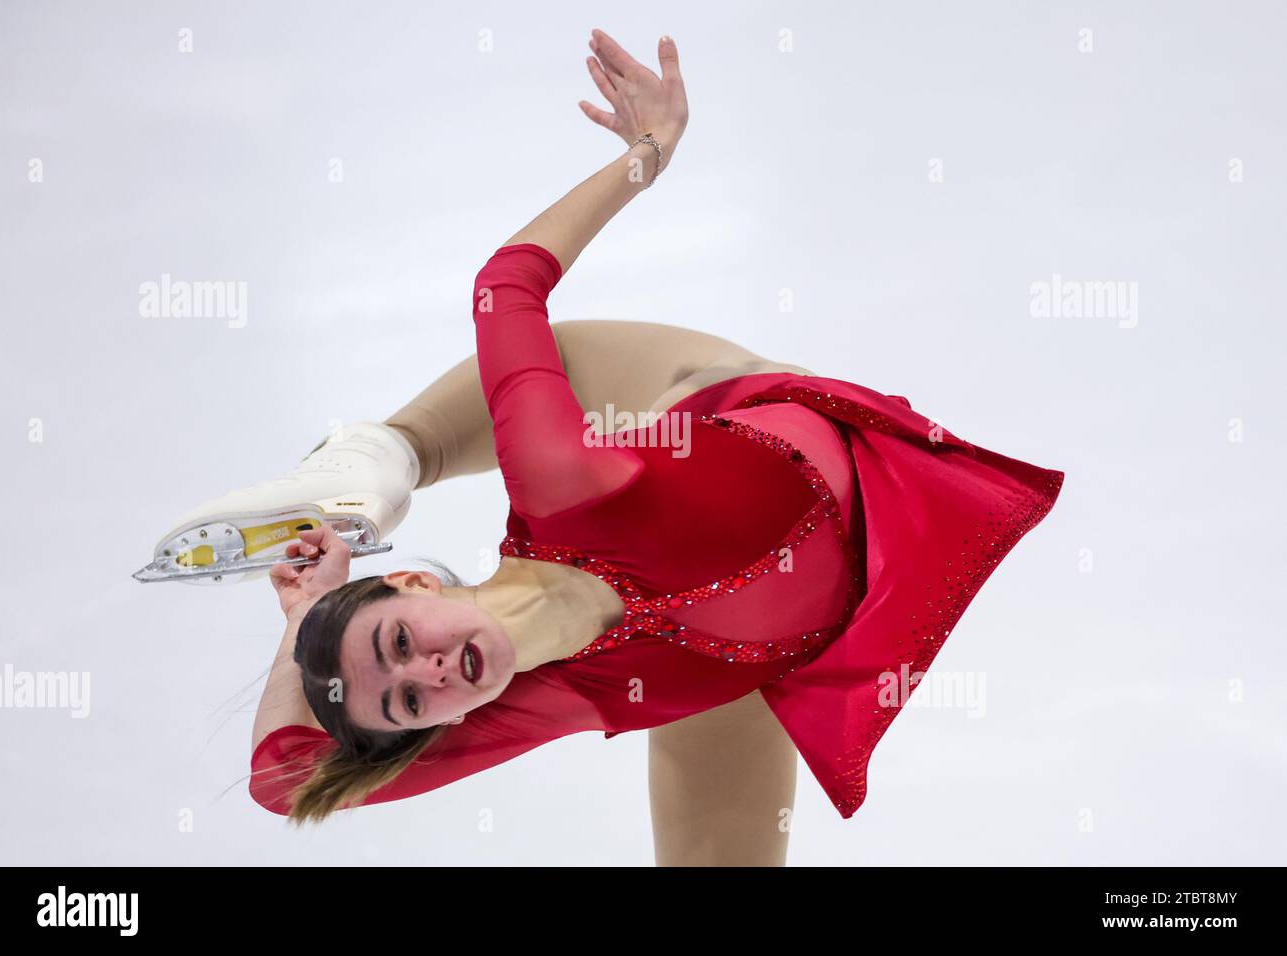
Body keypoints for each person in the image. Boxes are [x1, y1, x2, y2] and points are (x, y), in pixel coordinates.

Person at [149, 30, 1063, 865]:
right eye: (405, 702)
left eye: (396, 643)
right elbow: (285, 781)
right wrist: (300, 620)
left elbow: (506, 287)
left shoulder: (565, 484)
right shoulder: (525, 701)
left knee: (588, 398)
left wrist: (647, 154)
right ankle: (381, 482)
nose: (424, 674)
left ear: (416, 586)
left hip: (704, 397)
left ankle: (392, 449)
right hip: (741, 673)